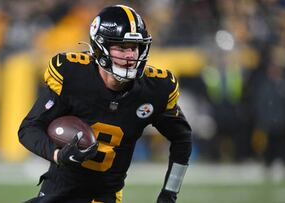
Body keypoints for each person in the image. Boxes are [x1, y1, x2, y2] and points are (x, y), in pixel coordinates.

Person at [19, 5, 192, 203]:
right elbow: (29, 128)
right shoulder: (73, 75)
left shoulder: (154, 90)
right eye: (121, 48)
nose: (129, 56)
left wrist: (169, 193)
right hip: (57, 192)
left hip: (104, 197)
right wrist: (58, 155)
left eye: (134, 48)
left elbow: (182, 139)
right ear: (100, 47)